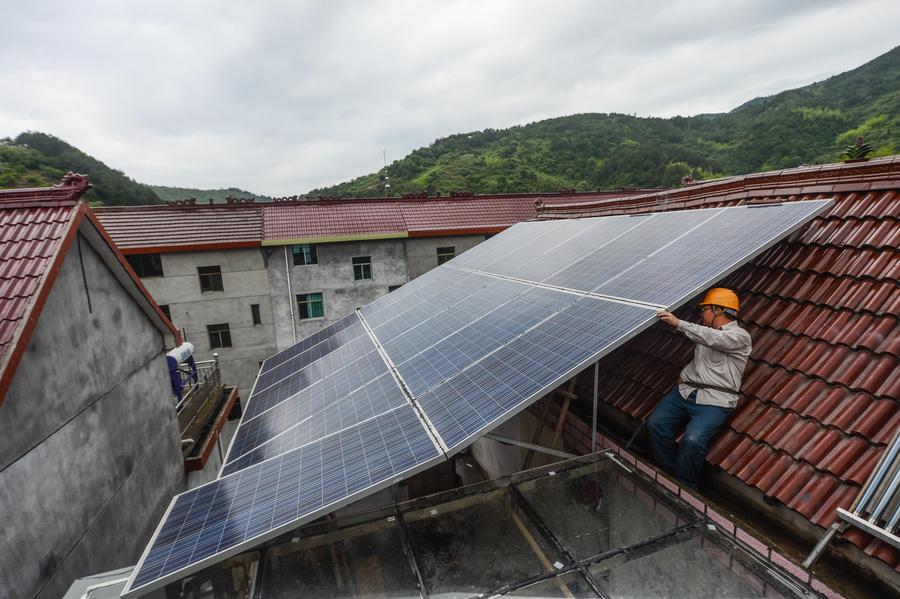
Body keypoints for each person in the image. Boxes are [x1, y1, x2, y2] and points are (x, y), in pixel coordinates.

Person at [648, 288, 752, 490]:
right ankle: (670, 474)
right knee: (655, 424)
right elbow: (704, 357)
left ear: (718, 310)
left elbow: (713, 338)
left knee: (693, 440)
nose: (701, 314)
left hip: (714, 401)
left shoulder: (740, 336)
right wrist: (686, 374)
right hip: (685, 392)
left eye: (705, 309)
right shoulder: (706, 332)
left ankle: (686, 486)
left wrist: (678, 323)